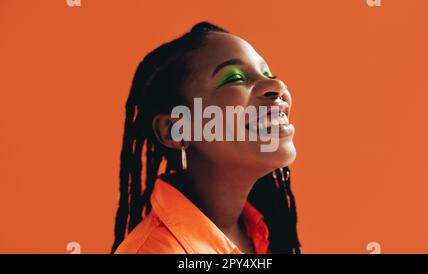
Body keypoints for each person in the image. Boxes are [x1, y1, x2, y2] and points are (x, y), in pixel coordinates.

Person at [111, 22, 301, 254]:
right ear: (175, 129)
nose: (277, 85)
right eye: (235, 78)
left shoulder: (260, 232)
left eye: (268, 74)